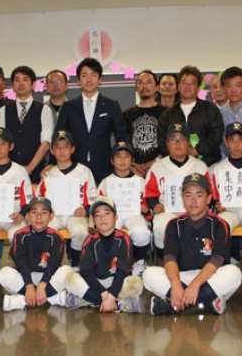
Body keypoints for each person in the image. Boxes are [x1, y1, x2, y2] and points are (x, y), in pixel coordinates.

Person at [143, 173, 242, 315]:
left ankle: (172, 305)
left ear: (208, 198)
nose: (193, 201)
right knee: (149, 274)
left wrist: (195, 285)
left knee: (234, 273)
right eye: (188, 195)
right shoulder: (174, 224)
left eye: (199, 195)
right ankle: (205, 304)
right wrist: (176, 285)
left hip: (209, 277)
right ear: (182, 198)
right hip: (181, 276)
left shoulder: (219, 224)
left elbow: (217, 259)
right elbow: (169, 258)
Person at [53, 57, 129, 184]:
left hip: (104, 167)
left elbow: (122, 135)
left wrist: (126, 161)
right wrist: (52, 163)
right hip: (74, 167)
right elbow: (59, 136)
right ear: (78, 80)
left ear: (100, 79)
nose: (89, 79)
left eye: (93, 75)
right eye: (84, 75)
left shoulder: (111, 105)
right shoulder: (68, 107)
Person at [64, 197, 144, 313]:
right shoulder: (90, 239)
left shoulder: (123, 239)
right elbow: (85, 270)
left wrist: (111, 295)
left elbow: (122, 270)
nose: (102, 218)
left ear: (116, 217)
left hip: (117, 281)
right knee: (70, 279)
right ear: (93, 221)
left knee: (136, 283)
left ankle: (90, 300)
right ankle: (119, 303)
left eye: (107, 213)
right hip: (96, 282)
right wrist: (104, 294)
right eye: (97, 215)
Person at [145, 124, 209, 260]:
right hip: (166, 210)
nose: (178, 143)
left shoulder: (200, 166)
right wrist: (155, 205)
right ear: (167, 143)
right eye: (173, 139)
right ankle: (166, 260)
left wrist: (206, 206)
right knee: (161, 227)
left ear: (188, 142)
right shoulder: (157, 167)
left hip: (194, 211)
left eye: (182, 139)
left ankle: (193, 261)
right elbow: (150, 193)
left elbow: (210, 193)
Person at [0, 196, 75, 311]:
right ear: (27, 216)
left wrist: (42, 286)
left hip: (48, 279)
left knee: (68, 271)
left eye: (44, 212)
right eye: (34, 212)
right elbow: (21, 263)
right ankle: (52, 299)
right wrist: (29, 286)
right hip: (25, 278)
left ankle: (21, 301)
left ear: (51, 216)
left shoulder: (56, 237)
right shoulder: (19, 235)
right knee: (3, 273)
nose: (39, 216)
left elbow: (53, 264)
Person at [37, 130, 96, 267]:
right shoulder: (48, 173)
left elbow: (93, 197)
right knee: (44, 231)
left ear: (72, 149)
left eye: (66, 146)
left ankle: (75, 263)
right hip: (54, 216)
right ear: (52, 151)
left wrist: (86, 210)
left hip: (75, 215)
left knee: (80, 231)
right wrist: (44, 212)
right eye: (57, 147)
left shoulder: (84, 171)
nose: (62, 150)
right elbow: (38, 198)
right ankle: (50, 265)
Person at [97, 142, 152, 277]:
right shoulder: (106, 182)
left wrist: (145, 209)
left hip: (134, 214)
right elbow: (98, 204)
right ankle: (111, 262)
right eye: (118, 156)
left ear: (133, 161)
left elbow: (148, 203)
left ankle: (139, 262)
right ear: (112, 161)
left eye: (127, 156)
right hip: (113, 215)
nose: (122, 160)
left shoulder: (140, 181)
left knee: (141, 232)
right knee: (107, 230)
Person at [0, 65, 53, 184]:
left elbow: (46, 143)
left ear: (33, 84)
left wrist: (29, 168)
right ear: (13, 85)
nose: (21, 83)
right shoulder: (4, 111)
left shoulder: (44, 110)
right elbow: (0, 142)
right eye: (17, 80)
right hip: (8, 173)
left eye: (25, 79)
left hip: (36, 173)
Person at [157, 65, 224, 166]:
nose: (187, 86)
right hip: (176, 166)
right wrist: (180, 154)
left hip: (208, 165)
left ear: (198, 87)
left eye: (192, 83)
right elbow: (162, 141)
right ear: (178, 86)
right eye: (184, 82)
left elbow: (216, 137)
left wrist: (195, 150)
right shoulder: (167, 115)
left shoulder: (211, 110)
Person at [123, 69, 167, 177]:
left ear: (157, 87)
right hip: (134, 171)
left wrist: (157, 161)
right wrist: (133, 164)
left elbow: (169, 140)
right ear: (136, 87)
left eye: (148, 82)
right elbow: (124, 142)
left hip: (161, 168)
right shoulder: (127, 114)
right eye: (140, 82)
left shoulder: (166, 112)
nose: (144, 86)